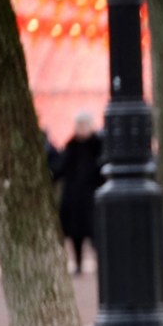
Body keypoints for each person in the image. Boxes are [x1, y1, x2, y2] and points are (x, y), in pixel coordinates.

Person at [54, 111, 104, 275]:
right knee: (76, 235)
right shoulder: (71, 145)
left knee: (96, 233)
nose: (81, 128)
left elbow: (102, 170)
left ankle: (101, 264)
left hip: (92, 197)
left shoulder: (98, 145)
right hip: (74, 198)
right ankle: (78, 263)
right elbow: (60, 168)